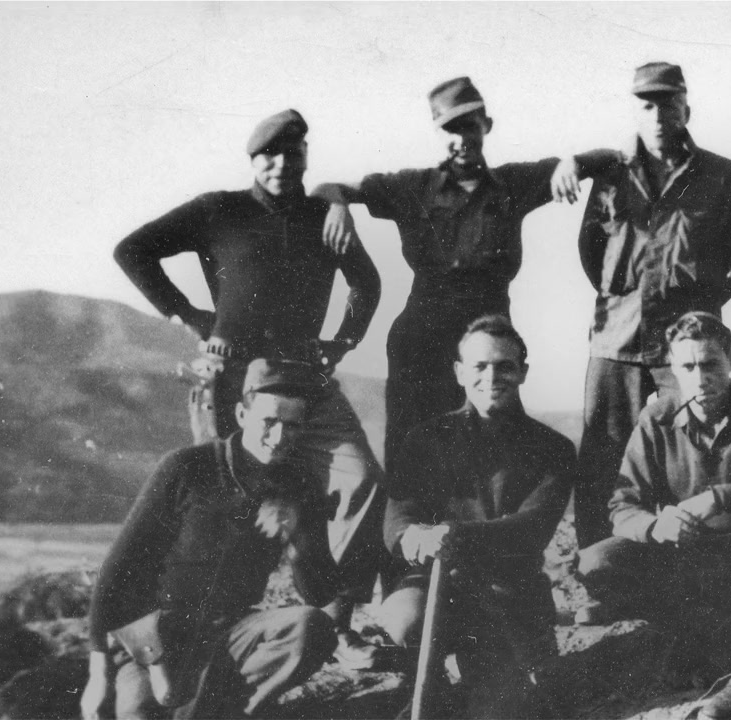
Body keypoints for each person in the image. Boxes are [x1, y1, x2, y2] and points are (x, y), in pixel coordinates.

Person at [113, 109, 388, 634]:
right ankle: (204, 630)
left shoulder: (323, 217)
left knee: (362, 480)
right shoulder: (218, 209)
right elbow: (132, 251)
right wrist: (193, 317)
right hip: (231, 379)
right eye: (269, 155)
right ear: (253, 160)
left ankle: (338, 622)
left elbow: (367, 284)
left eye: (292, 153)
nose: (281, 164)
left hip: (304, 376)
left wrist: (344, 341)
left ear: (306, 156)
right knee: (225, 501)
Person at [313, 77, 590, 473]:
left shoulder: (513, 184)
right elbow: (327, 188)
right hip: (422, 339)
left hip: (490, 342)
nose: (461, 139)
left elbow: (602, 161)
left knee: (490, 451)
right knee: (411, 452)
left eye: (469, 126)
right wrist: (339, 205)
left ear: (487, 126)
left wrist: (573, 164)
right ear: (438, 133)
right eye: (450, 129)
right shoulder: (412, 187)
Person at [556, 62, 731, 559]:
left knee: (696, 444)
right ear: (636, 112)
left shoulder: (720, 174)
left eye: (668, 105)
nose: (657, 116)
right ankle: (603, 566)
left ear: (686, 110)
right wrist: (621, 297)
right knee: (605, 453)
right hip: (617, 339)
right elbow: (591, 248)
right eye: (647, 106)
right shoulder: (610, 174)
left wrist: (704, 304)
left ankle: (697, 559)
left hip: (686, 347)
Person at [577, 312, 731, 720]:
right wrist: (656, 526)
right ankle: (691, 633)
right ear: (673, 368)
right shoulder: (657, 419)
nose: (700, 378)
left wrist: (722, 498)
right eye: (688, 366)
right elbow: (623, 506)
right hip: (691, 559)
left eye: (710, 364)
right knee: (597, 561)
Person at [81, 360, 340, 720]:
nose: (280, 436)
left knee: (310, 628)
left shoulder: (300, 484)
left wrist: (298, 540)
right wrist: (97, 676)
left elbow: (321, 594)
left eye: (292, 425)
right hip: (154, 638)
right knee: (140, 711)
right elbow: (116, 571)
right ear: (242, 415)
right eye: (269, 421)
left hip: (230, 635)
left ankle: (212, 709)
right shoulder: (188, 467)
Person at [379, 315, 575, 719]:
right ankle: (430, 684)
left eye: (504, 366)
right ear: (459, 372)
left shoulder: (553, 448)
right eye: (480, 366)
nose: (492, 377)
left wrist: (454, 534)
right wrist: (412, 536)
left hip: (509, 593)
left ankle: (481, 685)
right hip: (436, 585)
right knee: (404, 617)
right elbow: (399, 512)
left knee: (501, 709)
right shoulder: (426, 438)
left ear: (523, 372)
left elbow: (532, 528)